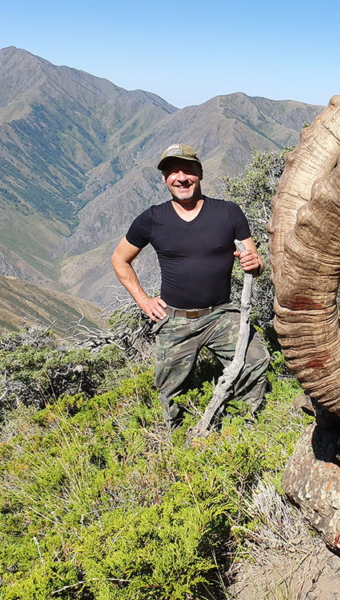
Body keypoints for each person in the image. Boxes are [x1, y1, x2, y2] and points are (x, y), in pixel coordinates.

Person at [111, 143, 270, 429]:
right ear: (163, 179)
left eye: (187, 170)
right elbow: (120, 260)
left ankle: (243, 427)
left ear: (200, 173)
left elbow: (255, 263)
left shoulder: (229, 213)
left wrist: (254, 265)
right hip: (174, 319)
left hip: (222, 315)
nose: (180, 177)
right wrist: (144, 301)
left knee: (255, 360)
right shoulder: (151, 219)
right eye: (172, 171)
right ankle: (177, 441)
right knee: (170, 390)